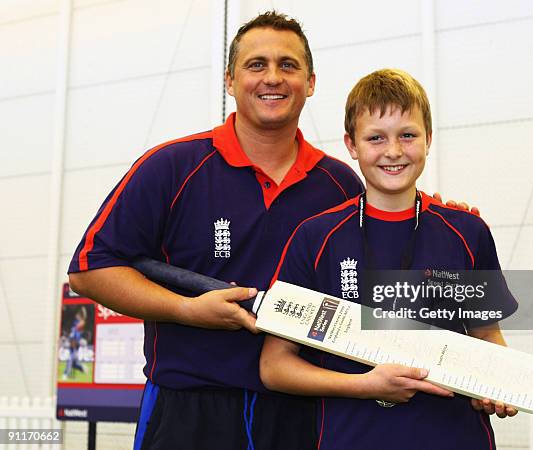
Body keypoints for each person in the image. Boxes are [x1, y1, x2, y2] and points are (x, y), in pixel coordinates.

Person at [68, 11, 475, 450]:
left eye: (288, 65)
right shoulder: (172, 166)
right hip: (189, 410)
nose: (273, 78)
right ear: (229, 80)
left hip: (303, 412)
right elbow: (90, 269)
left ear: (311, 81)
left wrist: (443, 219)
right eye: (256, 64)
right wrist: (187, 311)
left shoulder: (339, 183)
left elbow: (383, 269)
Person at [260, 69, 518, 450]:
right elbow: (275, 366)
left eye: (408, 135)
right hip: (350, 438)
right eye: (376, 137)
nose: (393, 151)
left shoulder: (466, 232)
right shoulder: (315, 238)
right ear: (352, 144)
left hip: (455, 437)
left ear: (428, 139)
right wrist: (364, 385)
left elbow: (486, 335)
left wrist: (498, 382)